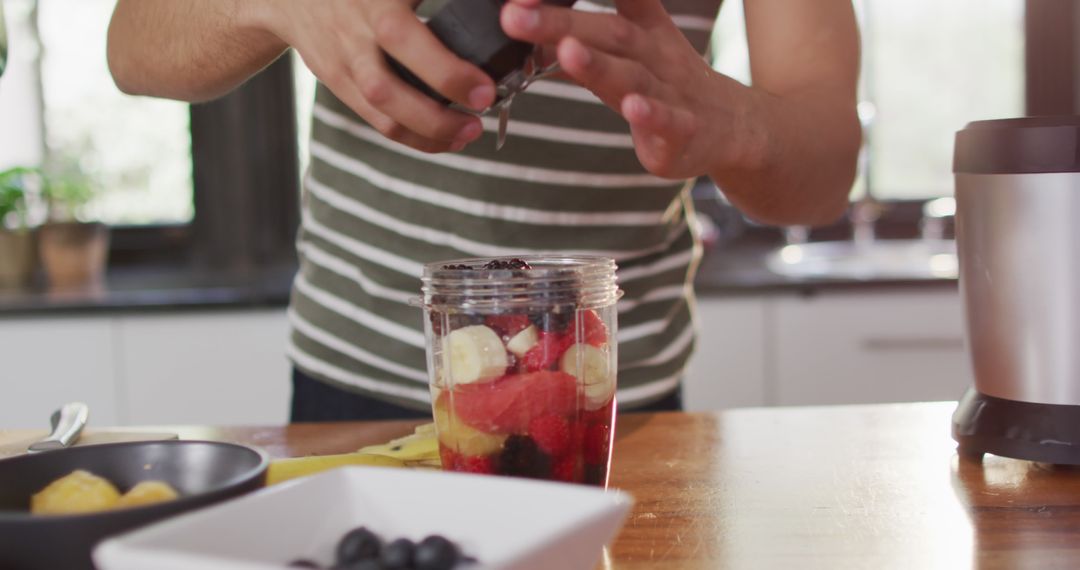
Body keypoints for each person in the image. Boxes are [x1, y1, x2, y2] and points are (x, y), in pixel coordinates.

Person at [107, 0, 860, 420]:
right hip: (356, 391)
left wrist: (734, 127)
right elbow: (133, 46)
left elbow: (823, 173)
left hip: (609, 409)